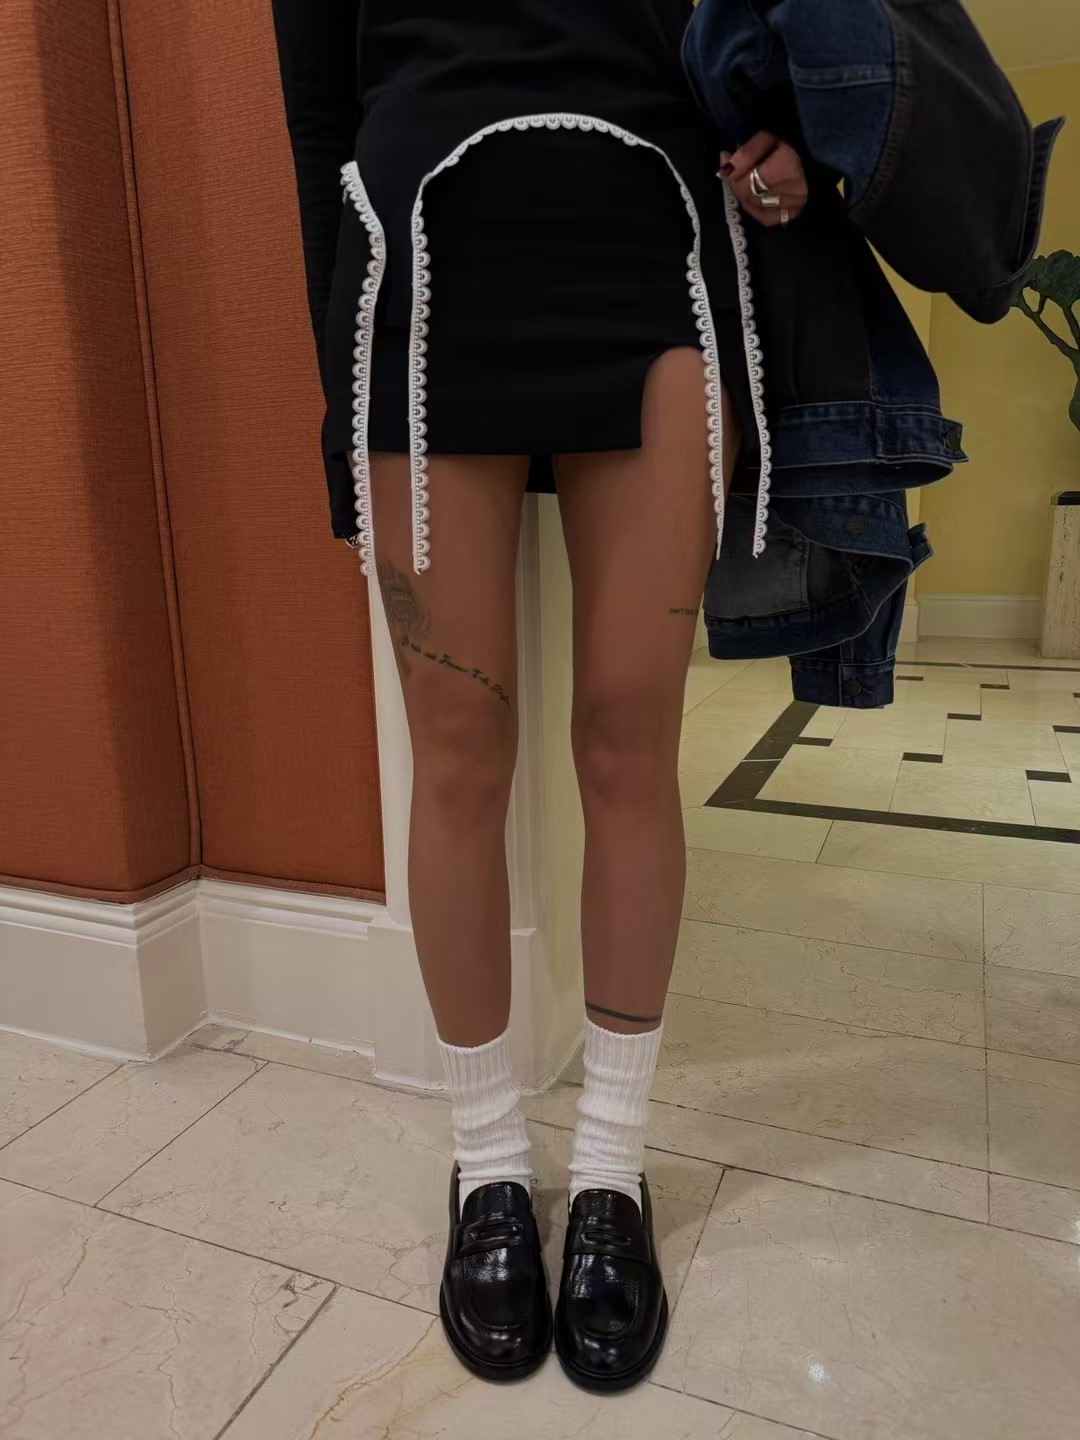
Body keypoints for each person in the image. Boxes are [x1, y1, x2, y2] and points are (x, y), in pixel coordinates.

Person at [271, 0, 807, 1393]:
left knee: (631, 740)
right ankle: (490, 1162)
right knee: (457, 751)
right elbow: (317, 119)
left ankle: (613, 1169)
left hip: (654, 254)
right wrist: (340, 387)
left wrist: (794, 146)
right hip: (416, 274)